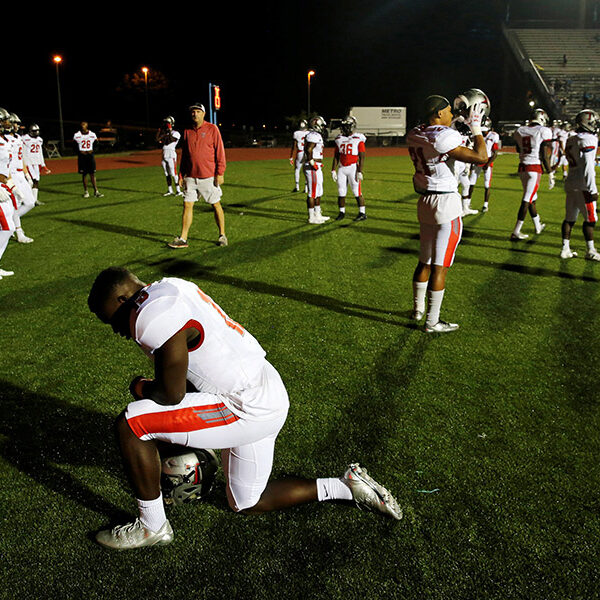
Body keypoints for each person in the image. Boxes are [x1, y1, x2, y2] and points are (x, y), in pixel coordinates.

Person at [87, 267, 402, 550]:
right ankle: (347, 487)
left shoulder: (148, 314)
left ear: (124, 297)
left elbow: (171, 394)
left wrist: (141, 386)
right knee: (246, 501)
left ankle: (151, 526)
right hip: (268, 390)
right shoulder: (171, 285)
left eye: (110, 318)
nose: (115, 329)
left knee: (131, 425)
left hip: (243, 405)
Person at [407, 91, 488, 333]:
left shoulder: (414, 134)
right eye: (449, 111)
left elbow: (437, 137)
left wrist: (456, 123)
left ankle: (417, 309)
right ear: (439, 113)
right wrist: (475, 128)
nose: (452, 114)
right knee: (440, 266)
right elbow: (481, 157)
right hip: (446, 203)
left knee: (425, 260)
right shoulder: (444, 137)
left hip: (424, 202)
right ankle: (432, 321)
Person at [168, 103, 227, 249]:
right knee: (187, 205)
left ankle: (222, 235)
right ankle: (183, 238)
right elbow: (186, 155)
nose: (195, 114)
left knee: (215, 204)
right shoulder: (187, 131)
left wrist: (220, 173)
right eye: (193, 112)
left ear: (203, 114)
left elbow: (220, 151)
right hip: (191, 177)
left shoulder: (212, 129)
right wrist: (181, 174)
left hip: (208, 176)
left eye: (198, 111)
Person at [560, 109, 600, 261]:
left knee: (569, 218)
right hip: (583, 186)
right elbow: (588, 167)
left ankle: (565, 249)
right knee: (590, 220)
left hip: (570, 183)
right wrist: (592, 189)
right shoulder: (589, 139)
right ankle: (590, 250)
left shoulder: (571, 139)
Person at [510, 108, 552, 241]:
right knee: (527, 199)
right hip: (534, 168)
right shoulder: (542, 131)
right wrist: (550, 173)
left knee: (532, 197)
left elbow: (518, 148)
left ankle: (537, 225)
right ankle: (516, 230)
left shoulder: (520, 130)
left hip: (522, 167)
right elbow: (544, 155)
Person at [331, 116, 367, 221]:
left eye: (347, 126)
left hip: (353, 168)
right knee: (341, 191)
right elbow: (336, 156)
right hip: (342, 168)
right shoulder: (339, 139)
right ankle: (341, 212)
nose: (344, 129)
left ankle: (362, 213)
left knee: (356, 191)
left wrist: (360, 170)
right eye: (344, 127)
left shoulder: (358, 138)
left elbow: (362, 156)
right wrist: (333, 169)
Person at [6, 113, 35, 243]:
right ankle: (19, 232)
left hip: (20, 174)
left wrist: (27, 174)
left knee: (30, 202)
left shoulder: (18, 138)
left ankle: (9, 223)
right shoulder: (4, 140)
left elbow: (21, 158)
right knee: (15, 205)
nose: (17, 126)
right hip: (11, 174)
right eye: (15, 123)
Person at [468, 119, 501, 212]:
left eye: (484, 130)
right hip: (477, 160)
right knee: (471, 182)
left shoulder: (493, 135)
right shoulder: (478, 135)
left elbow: (495, 152)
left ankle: (485, 204)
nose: (483, 132)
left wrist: (488, 163)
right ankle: (467, 203)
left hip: (487, 160)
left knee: (487, 184)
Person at [303, 115, 329, 224]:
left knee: (319, 191)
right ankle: (311, 217)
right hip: (312, 167)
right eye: (321, 125)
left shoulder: (316, 135)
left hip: (317, 166)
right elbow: (308, 150)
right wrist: (311, 162)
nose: (323, 128)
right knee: (312, 192)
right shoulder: (313, 135)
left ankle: (317, 214)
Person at [22, 124, 51, 206]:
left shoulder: (39, 140)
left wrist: (43, 164)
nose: (36, 133)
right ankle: (27, 199)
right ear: (30, 131)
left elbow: (40, 153)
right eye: (35, 131)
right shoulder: (24, 138)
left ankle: (34, 200)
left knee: (36, 180)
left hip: (36, 163)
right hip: (28, 162)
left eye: (37, 131)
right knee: (30, 181)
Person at [73, 122, 103, 198]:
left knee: (92, 174)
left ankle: (96, 191)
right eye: (82, 125)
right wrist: (79, 151)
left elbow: (97, 144)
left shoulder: (92, 134)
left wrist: (93, 150)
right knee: (84, 174)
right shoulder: (77, 135)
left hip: (90, 156)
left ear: (87, 126)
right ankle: (86, 191)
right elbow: (74, 146)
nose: (83, 126)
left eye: (84, 125)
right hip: (82, 157)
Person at [156, 116, 182, 197]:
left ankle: (178, 190)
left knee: (174, 173)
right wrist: (159, 131)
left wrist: (170, 130)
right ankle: (170, 190)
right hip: (164, 154)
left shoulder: (176, 133)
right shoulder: (165, 133)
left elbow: (170, 140)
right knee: (167, 173)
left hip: (171, 154)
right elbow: (157, 140)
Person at [289, 119, 308, 193]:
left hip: (300, 152)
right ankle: (306, 188)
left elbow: (293, 146)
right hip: (307, 153)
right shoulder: (309, 133)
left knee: (297, 169)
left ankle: (297, 186)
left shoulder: (296, 133)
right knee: (306, 170)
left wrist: (291, 157)